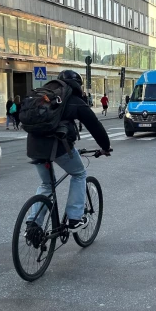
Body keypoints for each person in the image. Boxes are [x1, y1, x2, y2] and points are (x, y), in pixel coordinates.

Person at [26, 70, 111, 232]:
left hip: (34, 146)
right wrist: (105, 147)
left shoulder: (45, 96)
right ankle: (74, 218)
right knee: (79, 173)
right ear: (77, 85)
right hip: (57, 146)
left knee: (46, 184)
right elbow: (95, 126)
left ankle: (33, 224)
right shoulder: (74, 100)